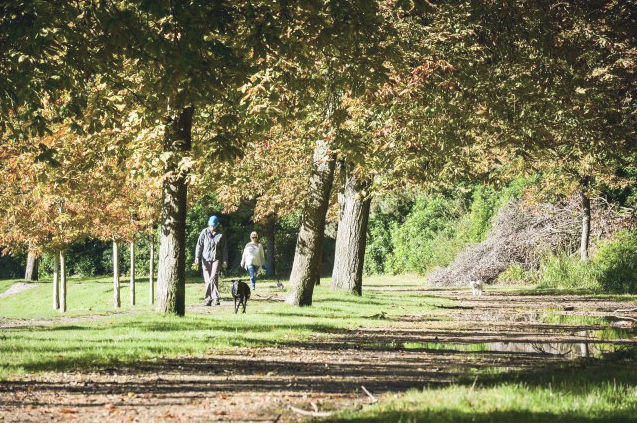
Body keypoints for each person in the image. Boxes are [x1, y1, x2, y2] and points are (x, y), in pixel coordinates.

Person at [193, 215, 228, 306]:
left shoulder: (221, 234)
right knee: (208, 279)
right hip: (205, 259)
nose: (212, 227)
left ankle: (215, 298)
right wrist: (197, 257)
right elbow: (199, 245)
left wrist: (225, 261)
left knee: (213, 277)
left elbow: (224, 249)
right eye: (211, 225)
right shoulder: (204, 232)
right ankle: (208, 299)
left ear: (217, 225)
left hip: (216, 259)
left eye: (214, 226)